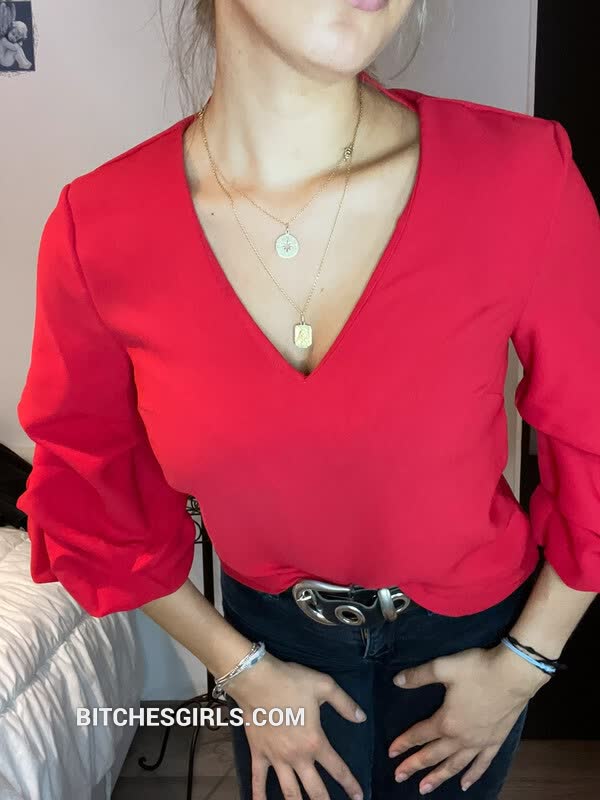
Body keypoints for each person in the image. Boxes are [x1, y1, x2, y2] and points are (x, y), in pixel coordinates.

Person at [15, 1, 600, 798]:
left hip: (476, 636)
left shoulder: (519, 173)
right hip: (269, 645)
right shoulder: (101, 228)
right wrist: (243, 674)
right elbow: (91, 497)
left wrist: (524, 665)